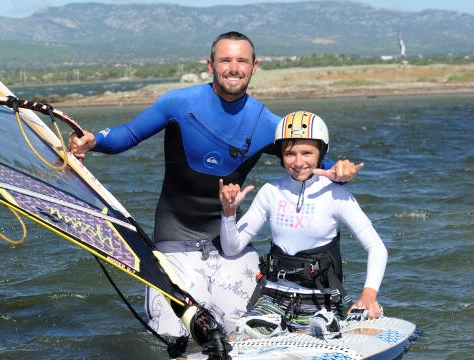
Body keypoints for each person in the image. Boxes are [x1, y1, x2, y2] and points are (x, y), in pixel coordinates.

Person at [69, 31, 362, 354]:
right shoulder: (178, 103)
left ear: (254, 66)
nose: (233, 68)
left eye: (241, 61)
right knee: (173, 336)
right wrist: (93, 141)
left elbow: (309, 159)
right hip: (174, 244)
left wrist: (341, 173)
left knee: (251, 333)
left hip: (229, 247)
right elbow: (127, 135)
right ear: (211, 64)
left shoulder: (266, 123)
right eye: (225, 60)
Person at [219, 111, 387, 339]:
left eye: (307, 153)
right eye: (290, 154)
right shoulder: (270, 192)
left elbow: (376, 247)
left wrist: (368, 295)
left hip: (321, 302)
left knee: (315, 341)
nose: (298, 162)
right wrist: (228, 213)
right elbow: (232, 248)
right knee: (238, 339)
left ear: (321, 153)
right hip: (272, 298)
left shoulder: (336, 194)